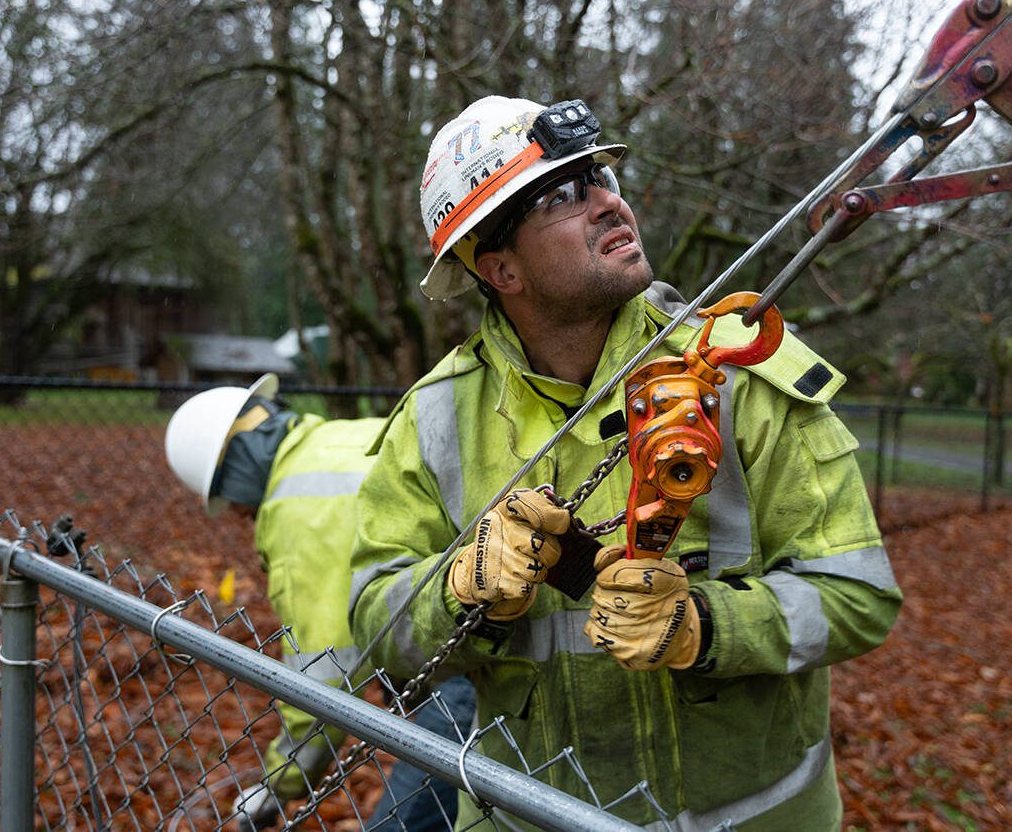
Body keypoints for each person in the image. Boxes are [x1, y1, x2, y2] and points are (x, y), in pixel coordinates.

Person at [349, 96, 902, 830]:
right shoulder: (434, 420)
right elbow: (373, 631)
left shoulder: (743, 372)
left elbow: (858, 595)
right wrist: (457, 589)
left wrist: (705, 626)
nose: (611, 203)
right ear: (501, 269)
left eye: (602, 178)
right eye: (564, 195)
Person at [164, 375, 474, 831]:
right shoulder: (336, 437)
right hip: (493, 618)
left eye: (229, 499)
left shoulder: (297, 513)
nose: (236, 514)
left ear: (236, 468)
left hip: (476, 659)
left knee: (400, 824)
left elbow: (323, 680)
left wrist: (279, 785)